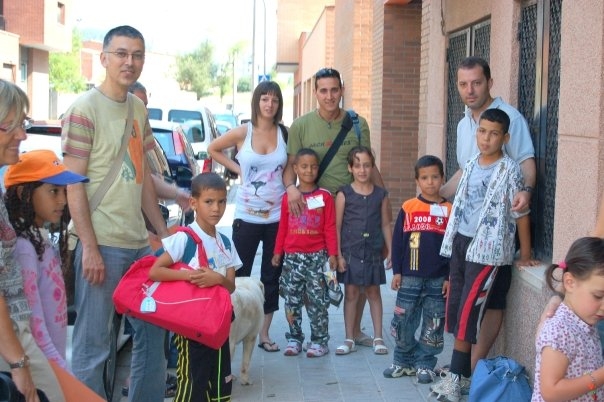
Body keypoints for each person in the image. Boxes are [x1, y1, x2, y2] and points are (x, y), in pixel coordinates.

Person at [61, 25, 169, 401]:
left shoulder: (137, 108)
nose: (130, 62)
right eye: (121, 54)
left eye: (137, 55)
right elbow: (73, 183)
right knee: (94, 348)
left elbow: (142, 177)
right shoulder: (83, 109)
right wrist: (88, 247)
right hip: (101, 245)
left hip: (140, 247)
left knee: (154, 335)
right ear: (104, 58)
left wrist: (161, 230)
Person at [440, 56, 539, 372]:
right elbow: (465, 172)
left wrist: (526, 193)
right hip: (467, 235)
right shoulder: (463, 124)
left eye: (477, 83)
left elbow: (526, 164)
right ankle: (464, 364)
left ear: (490, 82)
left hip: (496, 237)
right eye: (463, 84)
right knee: (463, 300)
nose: (470, 90)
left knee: (491, 300)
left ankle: (470, 365)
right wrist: (435, 195)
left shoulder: (510, 118)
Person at [284, 67, 390, 348]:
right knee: (314, 277)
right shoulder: (301, 126)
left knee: (361, 272)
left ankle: (353, 332)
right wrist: (291, 187)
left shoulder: (357, 124)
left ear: (342, 90)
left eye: (334, 90)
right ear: (315, 93)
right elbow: (290, 168)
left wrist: (384, 203)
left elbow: (369, 165)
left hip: (355, 210)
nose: (329, 96)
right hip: (315, 214)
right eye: (323, 90)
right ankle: (304, 335)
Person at [430, 109, 529, 402]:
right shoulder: (471, 163)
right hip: (462, 243)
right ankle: (459, 377)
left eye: (494, 133)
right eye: (482, 131)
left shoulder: (509, 170)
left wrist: (526, 252)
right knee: (458, 306)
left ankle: (457, 379)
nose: (486, 138)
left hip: (487, 249)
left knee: (469, 311)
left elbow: (520, 210)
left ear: (505, 137)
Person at [208, 81, 286, 352]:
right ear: (257, 102)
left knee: (271, 276)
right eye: (264, 99)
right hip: (246, 217)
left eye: (274, 100)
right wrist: (237, 169)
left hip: (277, 217)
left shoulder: (284, 133)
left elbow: (289, 170)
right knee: (238, 274)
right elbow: (213, 149)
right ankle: (234, 327)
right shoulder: (245, 131)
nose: (269, 104)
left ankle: (264, 334)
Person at [0, 79, 66, 402]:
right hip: (13, 339)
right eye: (11, 126)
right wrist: (18, 361)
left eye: (23, 125)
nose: (22, 135)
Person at [149, 172, 241, 402]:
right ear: (194, 203)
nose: (216, 209)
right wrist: (190, 276)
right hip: (191, 328)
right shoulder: (184, 238)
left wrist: (217, 279)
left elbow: (230, 287)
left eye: (221, 202)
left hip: (219, 325)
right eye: (208, 202)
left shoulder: (226, 243)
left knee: (219, 385)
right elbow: (155, 271)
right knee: (192, 384)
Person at [4, 150, 88, 371]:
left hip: (50, 365)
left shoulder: (39, 238)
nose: (63, 200)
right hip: (43, 368)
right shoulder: (24, 249)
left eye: (64, 191)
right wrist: (63, 373)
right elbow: (35, 327)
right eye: (53, 191)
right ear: (24, 193)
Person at [382, 155, 451, 384]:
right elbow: (399, 241)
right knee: (403, 319)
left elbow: (454, 247)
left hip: (437, 279)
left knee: (434, 322)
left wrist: (449, 277)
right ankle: (402, 361)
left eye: (434, 177)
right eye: (424, 178)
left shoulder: (449, 210)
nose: (430, 182)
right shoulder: (409, 207)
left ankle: (425, 364)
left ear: (442, 178)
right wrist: (398, 272)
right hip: (410, 277)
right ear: (417, 181)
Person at [271, 148, 337, 358]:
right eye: (304, 166)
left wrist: (333, 254)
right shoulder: (288, 198)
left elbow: (330, 227)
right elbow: (283, 227)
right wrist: (277, 251)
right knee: (291, 300)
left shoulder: (325, 196)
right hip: (292, 258)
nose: (309, 170)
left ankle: (319, 341)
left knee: (318, 301)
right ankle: (294, 338)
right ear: (296, 168)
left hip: (317, 257)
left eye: (314, 166)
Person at [335, 146, 391, 356]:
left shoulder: (381, 195)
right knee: (350, 293)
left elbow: (386, 224)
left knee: (373, 292)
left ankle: (378, 337)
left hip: (373, 251)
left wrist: (391, 250)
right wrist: (338, 255)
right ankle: (349, 337)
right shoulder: (344, 194)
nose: (362, 170)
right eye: (357, 165)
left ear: (372, 167)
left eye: (366, 165)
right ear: (350, 168)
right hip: (350, 251)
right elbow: (337, 226)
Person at [533, 237, 604, 401]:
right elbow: (551, 392)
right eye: (598, 296)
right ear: (570, 283)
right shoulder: (560, 331)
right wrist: (600, 376)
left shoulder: (584, 322)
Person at [128, 81, 191, 212]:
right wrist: (176, 193)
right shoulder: (118, 137)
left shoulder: (142, 139)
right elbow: (145, 181)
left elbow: (147, 179)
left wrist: (177, 194)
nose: (145, 111)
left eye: (146, 105)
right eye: (140, 105)